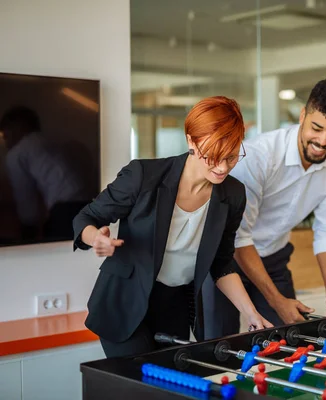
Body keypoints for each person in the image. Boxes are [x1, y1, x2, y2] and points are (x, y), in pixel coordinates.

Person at [72, 96, 272, 358]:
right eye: (213, 156)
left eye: (232, 156)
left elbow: (222, 263)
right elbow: (86, 218)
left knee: (167, 384)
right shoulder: (143, 176)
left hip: (175, 305)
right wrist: (95, 237)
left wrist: (251, 313)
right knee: (140, 386)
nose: (223, 167)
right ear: (191, 140)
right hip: (123, 302)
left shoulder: (233, 194)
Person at [201, 78, 326, 338]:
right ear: (302, 115)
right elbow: (240, 237)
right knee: (218, 345)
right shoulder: (258, 157)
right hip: (225, 260)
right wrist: (276, 301)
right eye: (316, 128)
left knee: (290, 340)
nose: (322, 141)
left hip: (273, 256)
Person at [0, 106, 90, 241]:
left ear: (18, 128)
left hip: (65, 211)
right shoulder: (50, 140)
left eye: (5, 133)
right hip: (90, 205)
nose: (4, 139)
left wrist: (26, 237)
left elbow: (26, 204)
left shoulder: (18, 153)